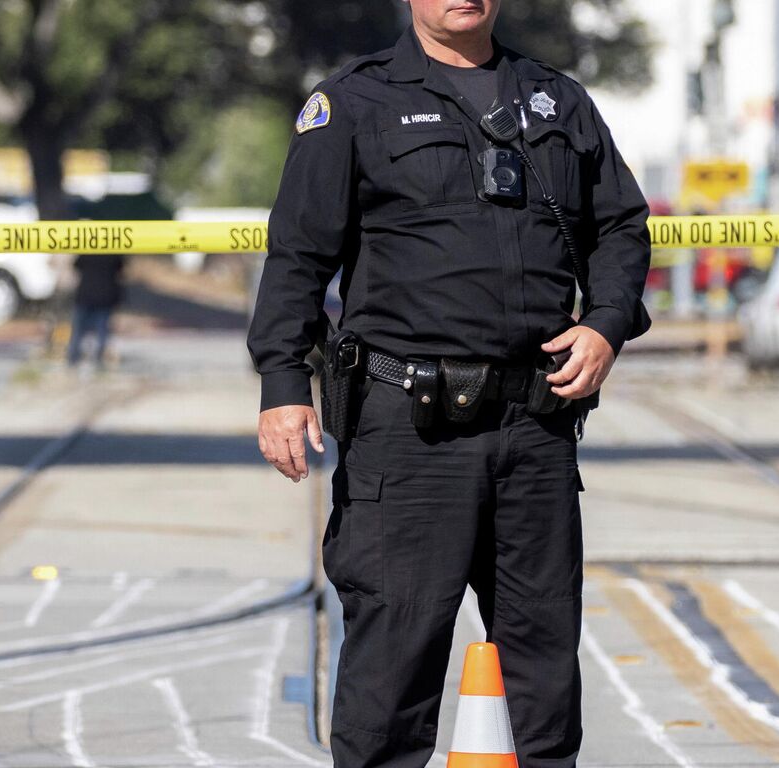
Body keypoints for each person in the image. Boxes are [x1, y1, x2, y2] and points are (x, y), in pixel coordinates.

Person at [247, 0, 652, 765]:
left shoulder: (557, 100)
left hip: (536, 427)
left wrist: (605, 324)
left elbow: (623, 227)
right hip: (410, 435)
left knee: (543, 678)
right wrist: (282, 384)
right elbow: (297, 254)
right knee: (391, 677)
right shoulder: (353, 103)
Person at [66, 253, 125, 370]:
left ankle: (72, 360)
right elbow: (121, 270)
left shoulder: (88, 251)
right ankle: (98, 361)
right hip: (105, 297)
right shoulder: (114, 253)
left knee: (78, 330)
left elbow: (76, 266)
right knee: (102, 331)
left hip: (85, 296)